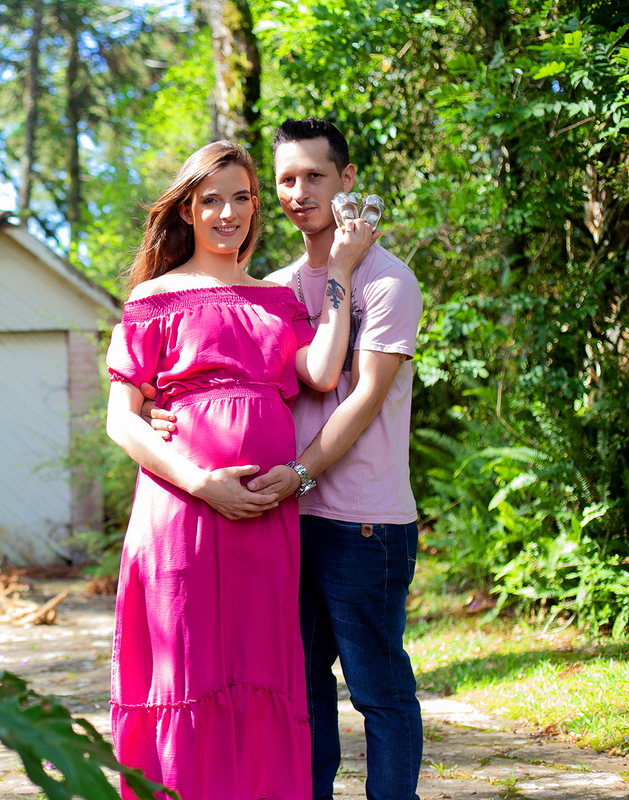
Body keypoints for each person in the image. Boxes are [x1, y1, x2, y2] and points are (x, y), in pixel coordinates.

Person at [145, 119, 424, 800]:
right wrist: (167, 413)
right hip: (285, 522)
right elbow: (225, 374)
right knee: (301, 689)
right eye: (287, 180)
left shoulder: (386, 284)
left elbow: (357, 400)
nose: (300, 193)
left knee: (377, 689)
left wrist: (299, 471)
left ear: (347, 181)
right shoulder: (271, 285)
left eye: (315, 177)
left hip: (362, 522)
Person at [104, 140, 375, 800]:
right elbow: (122, 419)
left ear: (257, 206)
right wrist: (203, 484)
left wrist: (339, 269)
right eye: (211, 200)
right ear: (188, 211)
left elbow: (318, 372)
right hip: (183, 516)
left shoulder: (276, 300)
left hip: (263, 521)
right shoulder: (155, 297)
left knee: (259, 670)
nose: (228, 213)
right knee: (187, 669)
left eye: (242, 198)